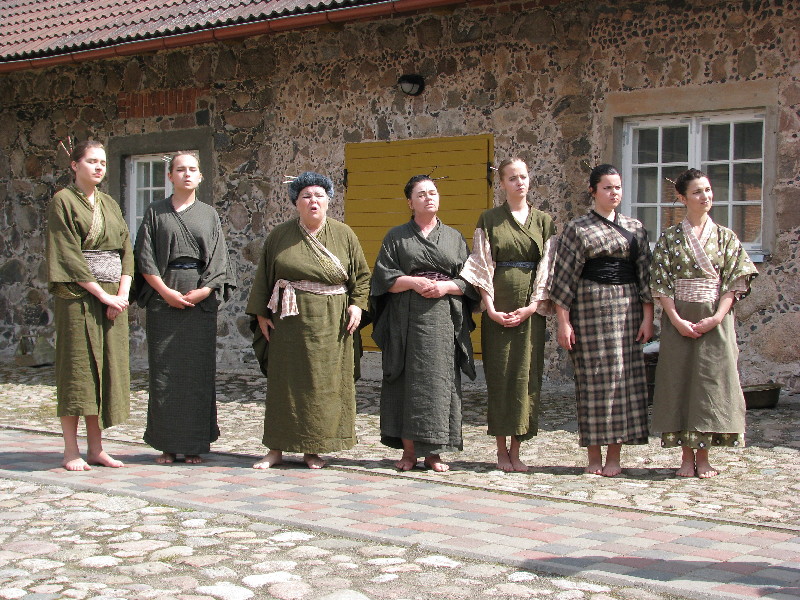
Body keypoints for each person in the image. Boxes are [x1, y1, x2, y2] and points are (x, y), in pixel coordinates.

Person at [246, 172, 370, 469]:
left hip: (332, 322)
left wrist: (357, 306)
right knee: (284, 384)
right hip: (289, 320)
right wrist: (262, 312)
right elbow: (264, 274)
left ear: (329, 200)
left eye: (318, 195)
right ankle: (275, 449)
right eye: (306, 196)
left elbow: (362, 277)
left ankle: (313, 449)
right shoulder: (280, 235)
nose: (313, 201)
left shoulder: (344, 234)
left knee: (323, 385)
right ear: (295, 203)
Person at [650, 169, 757, 478]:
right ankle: (686, 457)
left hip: (715, 316)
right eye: (697, 192)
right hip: (679, 318)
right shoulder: (670, 238)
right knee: (680, 382)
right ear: (682, 198)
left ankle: (705, 456)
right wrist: (675, 319)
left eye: (708, 190)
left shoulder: (726, 236)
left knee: (711, 382)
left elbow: (736, 280)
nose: (705, 196)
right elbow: (660, 283)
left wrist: (718, 316)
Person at [549, 164, 653, 477]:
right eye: (607, 187)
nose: (613, 193)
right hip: (589, 311)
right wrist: (563, 322)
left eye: (618, 187)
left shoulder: (635, 228)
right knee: (592, 382)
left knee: (624, 382)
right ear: (593, 191)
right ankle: (594, 456)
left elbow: (646, 277)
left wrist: (648, 319)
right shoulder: (577, 227)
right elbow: (564, 277)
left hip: (627, 310)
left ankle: (615, 457)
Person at [370, 175, 477, 473]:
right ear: (410, 202)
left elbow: (469, 282)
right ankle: (408, 453)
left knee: (439, 383)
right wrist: (413, 282)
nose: (428, 198)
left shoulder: (454, 238)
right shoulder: (396, 237)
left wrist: (445, 288)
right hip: (406, 317)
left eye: (433, 193)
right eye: (421, 194)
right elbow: (383, 279)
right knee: (407, 382)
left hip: (443, 318)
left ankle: (435, 453)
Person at [134, 152, 236, 465]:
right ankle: (167, 444)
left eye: (193, 169)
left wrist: (204, 290)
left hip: (200, 303)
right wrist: (164, 292)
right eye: (180, 169)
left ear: (200, 176)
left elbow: (219, 259)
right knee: (165, 373)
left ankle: (194, 445)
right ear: (170, 176)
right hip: (163, 301)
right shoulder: (155, 212)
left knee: (197, 373)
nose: (186, 174)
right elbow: (145, 257)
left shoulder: (209, 215)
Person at [461, 158, 557, 472]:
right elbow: (481, 264)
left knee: (526, 376)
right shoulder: (489, 219)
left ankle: (518, 449)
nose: (519, 182)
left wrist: (532, 306)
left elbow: (547, 268)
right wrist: (490, 308)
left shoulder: (544, 221)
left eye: (523, 177)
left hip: (531, 311)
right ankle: (501, 451)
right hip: (498, 309)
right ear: (502, 183)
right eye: (512, 178)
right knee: (501, 376)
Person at [46, 139, 133, 471]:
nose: (99, 167)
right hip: (79, 298)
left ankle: (97, 448)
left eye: (103, 163)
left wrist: (121, 294)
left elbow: (126, 248)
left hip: (113, 297)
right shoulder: (62, 202)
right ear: (75, 165)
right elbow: (68, 255)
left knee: (105, 372)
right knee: (78, 372)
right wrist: (102, 294)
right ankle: (71, 449)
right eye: (92, 161)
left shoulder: (109, 203)